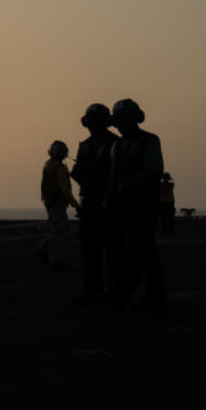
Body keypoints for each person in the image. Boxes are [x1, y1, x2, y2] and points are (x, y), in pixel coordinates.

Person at [107, 99, 166, 311]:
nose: (121, 125)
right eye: (119, 121)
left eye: (125, 120)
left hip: (144, 203)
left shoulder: (149, 140)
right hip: (123, 205)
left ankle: (123, 296)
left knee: (138, 249)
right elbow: (114, 175)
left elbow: (155, 170)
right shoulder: (118, 145)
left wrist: (128, 184)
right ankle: (154, 298)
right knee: (145, 252)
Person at [69, 103, 119, 303]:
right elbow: (79, 172)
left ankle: (114, 290)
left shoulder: (116, 143)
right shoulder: (86, 145)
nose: (92, 125)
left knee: (113, 249)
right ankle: (92, 290)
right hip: (90, 201)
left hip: (111, 201)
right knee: (89, 249)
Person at [34, 141, 80, 271]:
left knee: (58, 230)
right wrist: (75, 204)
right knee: (60, 231)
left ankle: (42, 249)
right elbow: (65, 190)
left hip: (50, 201)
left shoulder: (48, 165)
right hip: (57, 202)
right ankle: (55, 260)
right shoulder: (59, 168)